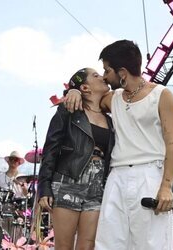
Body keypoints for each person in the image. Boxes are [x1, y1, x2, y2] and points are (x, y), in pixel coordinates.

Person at [64, 40, 173, 250]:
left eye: (107, 70)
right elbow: (88, 96)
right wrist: (73, 92)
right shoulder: (113, 98)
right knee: (108, 243)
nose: (105, 76)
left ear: (123, 72)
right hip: (116, 178)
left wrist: (166, 187)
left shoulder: (162, 95)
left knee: (152, 244)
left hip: (150, 176)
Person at [37, 68, 115, 250]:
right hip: (67, 180)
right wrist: (44, 187)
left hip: (97, 186)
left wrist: (72, 91)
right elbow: (50, 149)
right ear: (86, 88)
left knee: (88, 245)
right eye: (96, 76)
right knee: (64, 246)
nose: (102, 77)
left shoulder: (110, 118)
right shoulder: (69, 110)